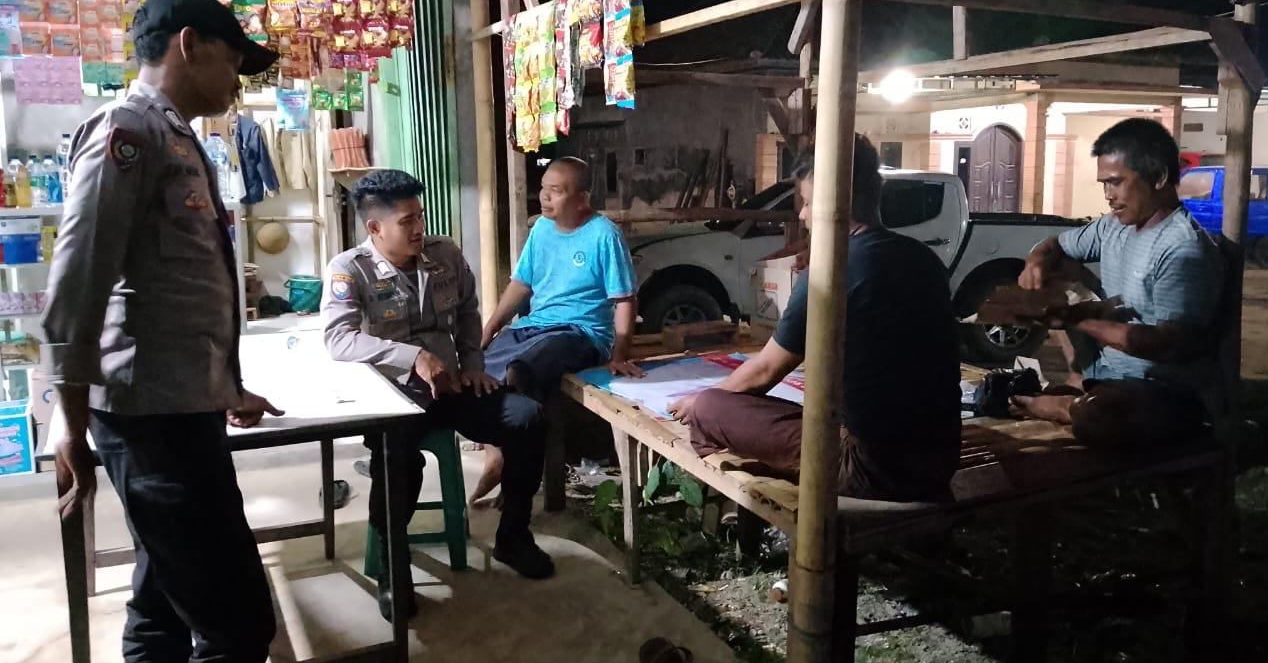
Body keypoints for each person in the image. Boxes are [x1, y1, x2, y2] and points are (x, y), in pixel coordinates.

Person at [42, 0, 285, 663]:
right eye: (233, 60)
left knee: (163, 585)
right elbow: (77, 281)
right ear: (189, 44)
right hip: (149, 418)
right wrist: (68, 419)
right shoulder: (129, 132)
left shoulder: (179, 136)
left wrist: (226, 384)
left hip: (182, 405)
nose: (238, 79)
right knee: (236, 609)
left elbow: (181, 286)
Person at [670, 136, 960, 502]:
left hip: (874, 471)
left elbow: (765, 372)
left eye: (807, 203)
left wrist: (701, 400)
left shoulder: (832, 271)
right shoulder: (924, 259)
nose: (803, 216)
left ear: (835, 205)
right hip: (941, 461)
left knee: (713, 407)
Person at [322, 170, 553, 620]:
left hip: (452, 387)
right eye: (407, 220)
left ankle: (513, 537)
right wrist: (412, 358)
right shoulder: (350, 269)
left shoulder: (443, 254)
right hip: (395, 397)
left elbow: (467, 310)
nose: (419, 228)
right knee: (399, 461)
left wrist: (473, 363)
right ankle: (393, 567)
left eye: (420, 216)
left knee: (527, 417)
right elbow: (338, 339)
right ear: (375, 227)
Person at [1011, 118, 1224, 444]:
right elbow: (1054, 246)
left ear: (1159, 177)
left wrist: (1076, 318)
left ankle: (1069, 406)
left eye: (1116, 183)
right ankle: (1080, 385)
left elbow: (1168, 344)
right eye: (1104, 184)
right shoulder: (1113, 226)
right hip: (1106, 373)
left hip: (1163, 391)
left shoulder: (1183, 249)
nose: (1108, 196)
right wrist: (1036, 262)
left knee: (1096, 417)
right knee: (1057, 267)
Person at [471, 157, 644, 505]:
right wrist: (491, 327)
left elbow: (625, 299)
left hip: (580, 333)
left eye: (556, 191)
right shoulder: (541, 230)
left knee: (522, 370)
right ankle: (497, 454)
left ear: (581, 198)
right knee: (479, 369)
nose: (545, 197)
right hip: (534, 327)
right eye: (543, 189)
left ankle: (519, 472)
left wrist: (619, 354)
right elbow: (521, 283)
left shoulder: (603, 235)